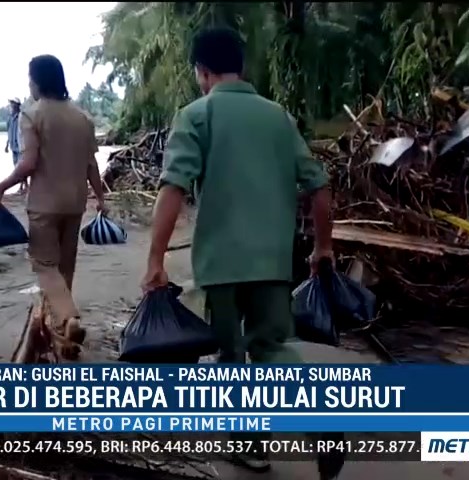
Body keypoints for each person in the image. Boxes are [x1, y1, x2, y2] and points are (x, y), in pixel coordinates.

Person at [139, 28, 334, 472]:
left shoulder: (196, 115)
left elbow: (173, 189)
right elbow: (320, 185)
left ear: (202, 72)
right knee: (270, 345)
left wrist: (155, 259)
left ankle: (251, 447)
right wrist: (323, 247)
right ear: (241, 68)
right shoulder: (278, 116)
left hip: (220, 264)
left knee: (232, 355)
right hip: (273, 262)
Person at [0, 54, 106, 347]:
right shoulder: (82, 117)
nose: (29, 85)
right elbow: (91, 165)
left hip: (44, 204)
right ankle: (64, 335)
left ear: (37, 81)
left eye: (30, 79)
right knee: (65, 266)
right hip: (76, 203)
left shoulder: (32, 114)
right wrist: (102, 198)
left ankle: (68, 316)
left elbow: (28, 163)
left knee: (44, 264)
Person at [4, 98, 27, 193]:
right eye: (11, 104)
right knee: (16, 166)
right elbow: (9, 132)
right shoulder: (10, 118)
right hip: (13, 146)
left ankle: (23, 186)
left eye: (13, 104)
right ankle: (24, 185)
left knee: (21, 167)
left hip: (21, 146)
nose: (11, 106)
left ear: (17, 105)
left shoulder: (22, 117)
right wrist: (6, 144)